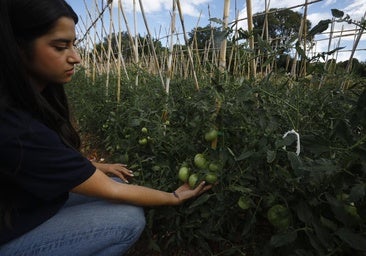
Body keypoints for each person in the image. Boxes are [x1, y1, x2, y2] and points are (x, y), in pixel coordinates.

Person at [0, 0, 212, 255]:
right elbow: (110, 189)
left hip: (15, 209)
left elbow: (42, 159)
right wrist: (173, 197)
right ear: (17, 48)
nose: (76, 58)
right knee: (127, 219)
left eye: (74, 44)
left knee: (110, 181)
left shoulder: (22, 104)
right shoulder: (14, 125)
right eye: (60, 46)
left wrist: (97, 167)